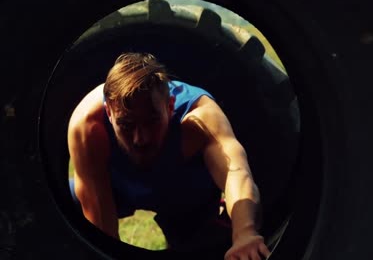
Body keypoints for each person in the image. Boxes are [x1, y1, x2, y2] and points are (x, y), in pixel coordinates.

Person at [67, 52, 271, 259]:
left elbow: (236, 172)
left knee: (198, 246)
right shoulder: (88, 126)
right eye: (126, 125)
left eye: (152, 121)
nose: (140, 139)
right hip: (117, 188)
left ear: (170, 106)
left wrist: (245, 233)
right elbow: (102, 235)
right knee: (66, 212)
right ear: (109, 113)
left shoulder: (199, 118)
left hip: (184, 195)